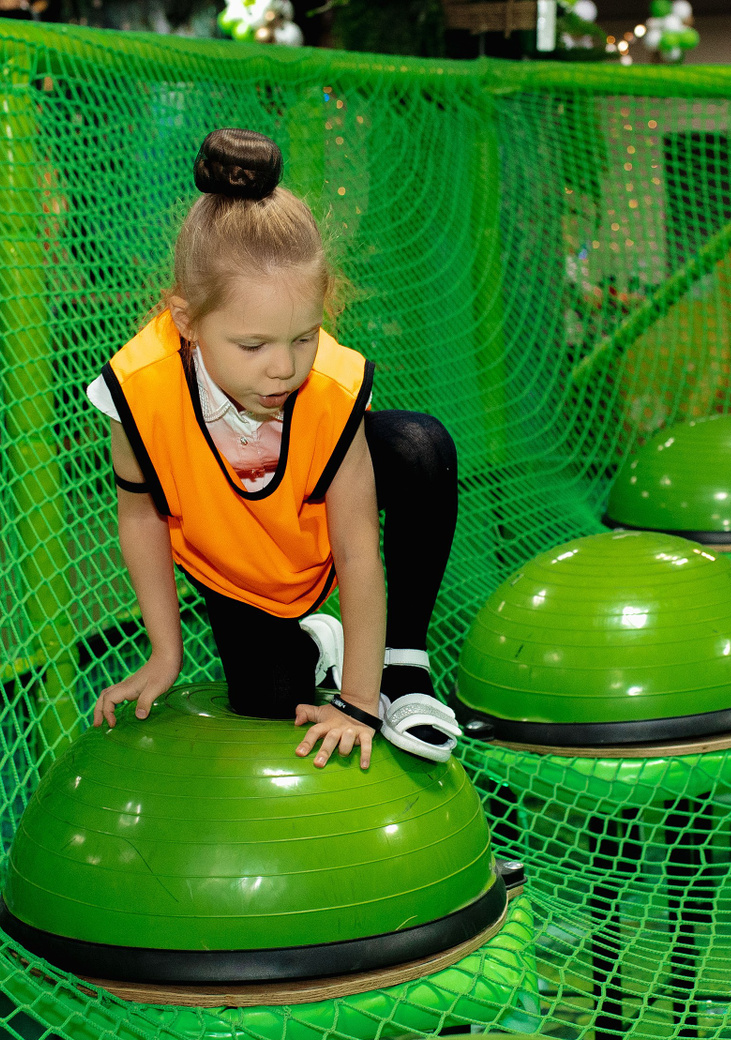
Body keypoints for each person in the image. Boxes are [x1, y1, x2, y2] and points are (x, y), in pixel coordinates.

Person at [88, 127, 462, 769]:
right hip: (235, 559)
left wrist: (359, 702)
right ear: (186, 321)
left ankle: (403, 664)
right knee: (269, 700)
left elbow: (357, 550)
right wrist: (164, 653)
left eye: (304, 337)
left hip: (315, 526)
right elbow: (141, 516)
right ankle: (318, 644)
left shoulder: (329, 388)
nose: (284, 368)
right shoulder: (136, 390)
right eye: (253, 346)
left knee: (420, 446)